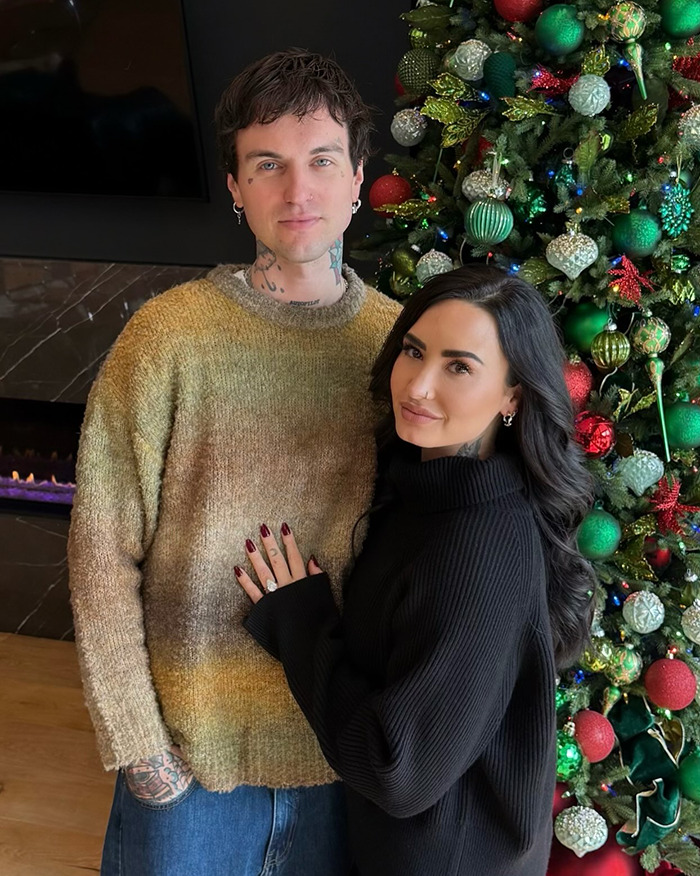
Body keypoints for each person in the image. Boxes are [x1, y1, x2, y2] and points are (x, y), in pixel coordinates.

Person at [68, 48, 400, 875]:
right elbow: (102, 548)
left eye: (322, 161)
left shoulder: (405, 349)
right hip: (188, 771)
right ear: (234, 186)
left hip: (344, 764)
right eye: (268, 164)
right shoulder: (167, 338)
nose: (298, 191)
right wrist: (142, 752)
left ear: (358, 177)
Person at [236, 263, 596, 876]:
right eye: (413, 351)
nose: (418, 385)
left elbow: (395, 768)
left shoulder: (477, 544)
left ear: (514, 395)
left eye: (459, 366)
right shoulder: (426, 492)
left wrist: (299, 621)